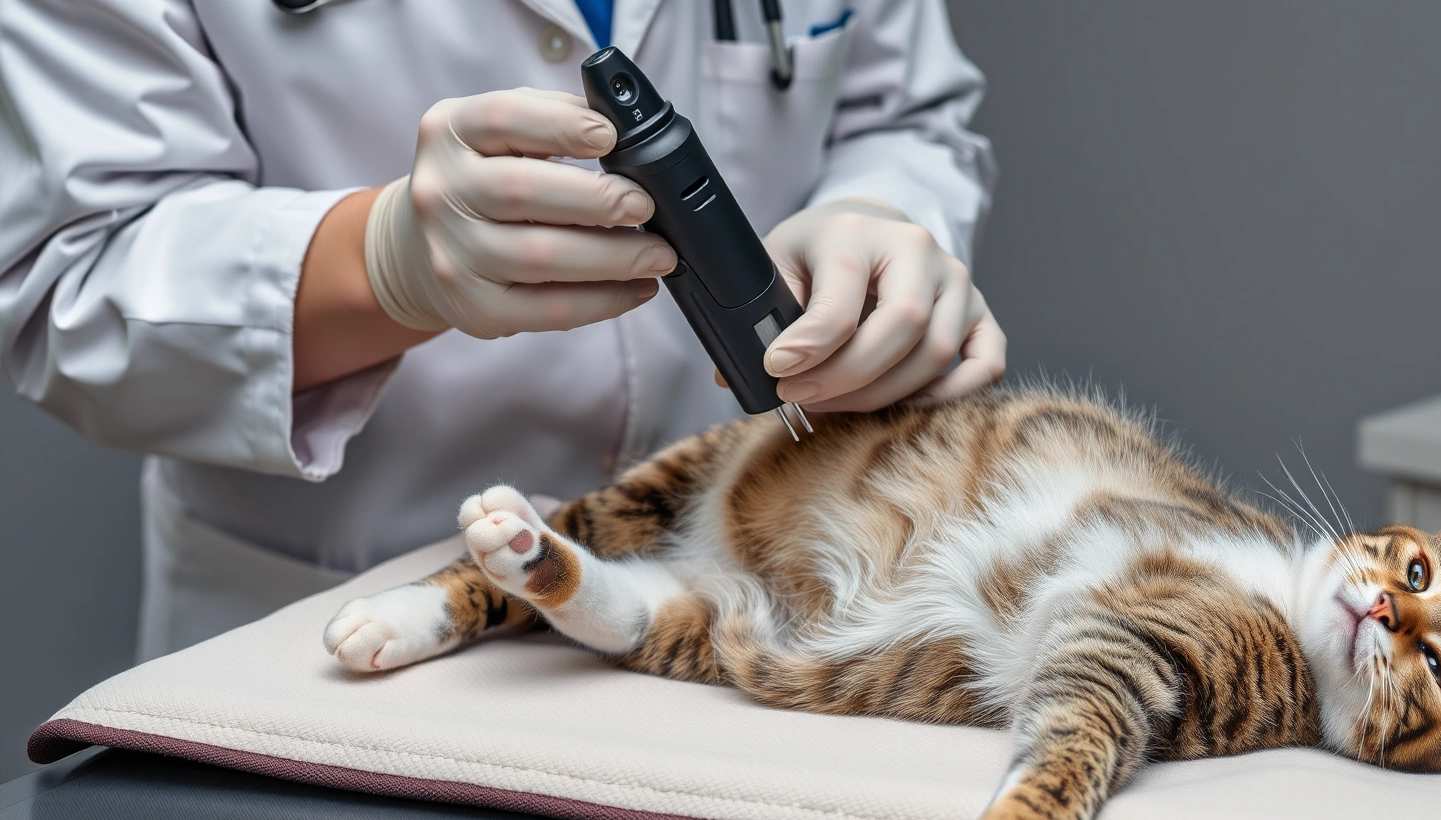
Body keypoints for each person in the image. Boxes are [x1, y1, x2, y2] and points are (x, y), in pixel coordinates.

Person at [0, 0, 1003, 659]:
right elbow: (73, 285)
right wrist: (378, 263)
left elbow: (904, 114)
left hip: (744, 602)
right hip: (337, 624)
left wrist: (881, 216)